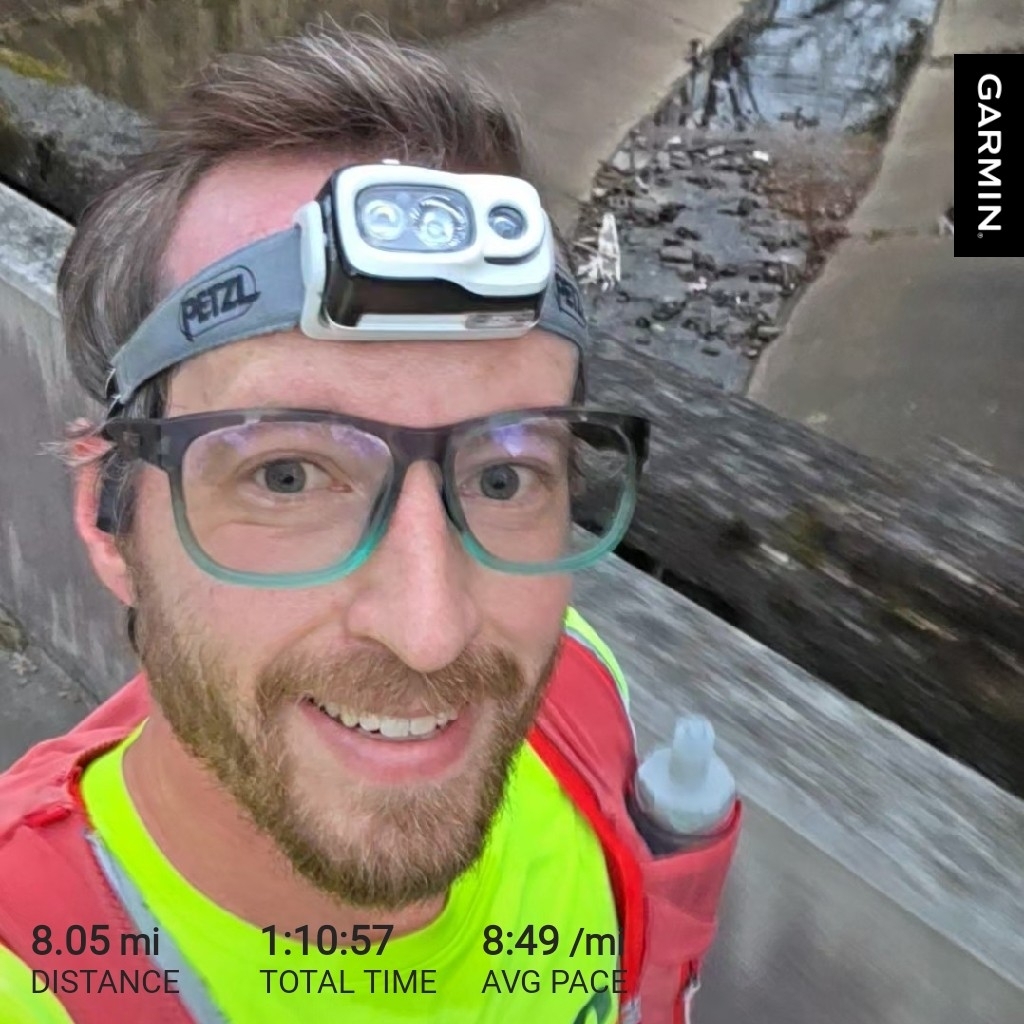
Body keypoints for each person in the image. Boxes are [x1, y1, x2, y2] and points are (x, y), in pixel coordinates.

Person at [0, 24, 741, 1024]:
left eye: (503, 477)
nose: (430, 633)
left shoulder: (581, 684)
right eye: (288, 476)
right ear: (109, 517)